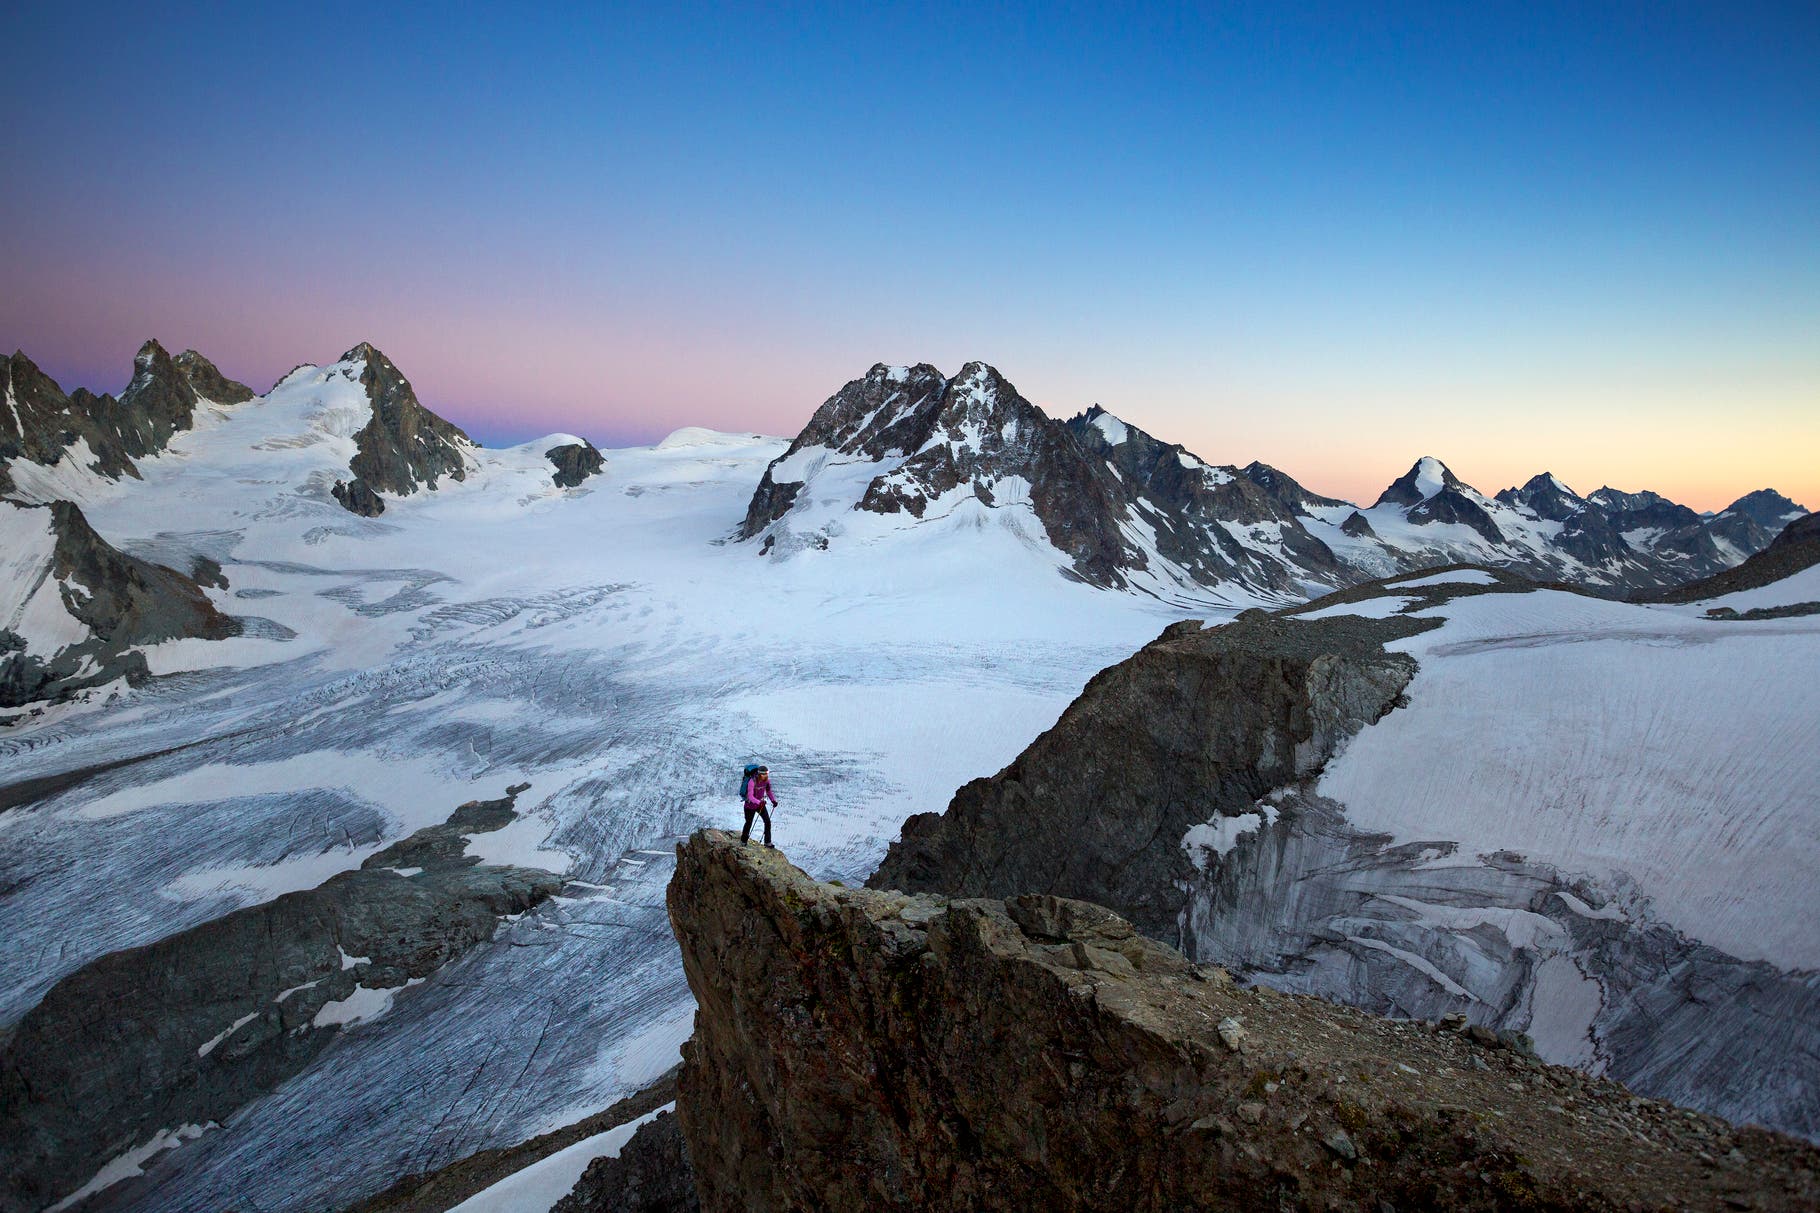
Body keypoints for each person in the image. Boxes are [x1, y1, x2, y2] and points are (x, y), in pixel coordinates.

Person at [741, 763, 778, 847]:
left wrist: (773, 801)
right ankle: (743, 841)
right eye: (764, 774)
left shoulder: (766, 781)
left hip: (759, 805)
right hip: (750, 806)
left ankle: (767, 842)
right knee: (748, 823)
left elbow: (768, 791)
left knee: (767, 822)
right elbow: (750, 796)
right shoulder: (752, 781)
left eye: (767, 774)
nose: (766, 776)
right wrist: (759, 802)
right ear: (760, 774)